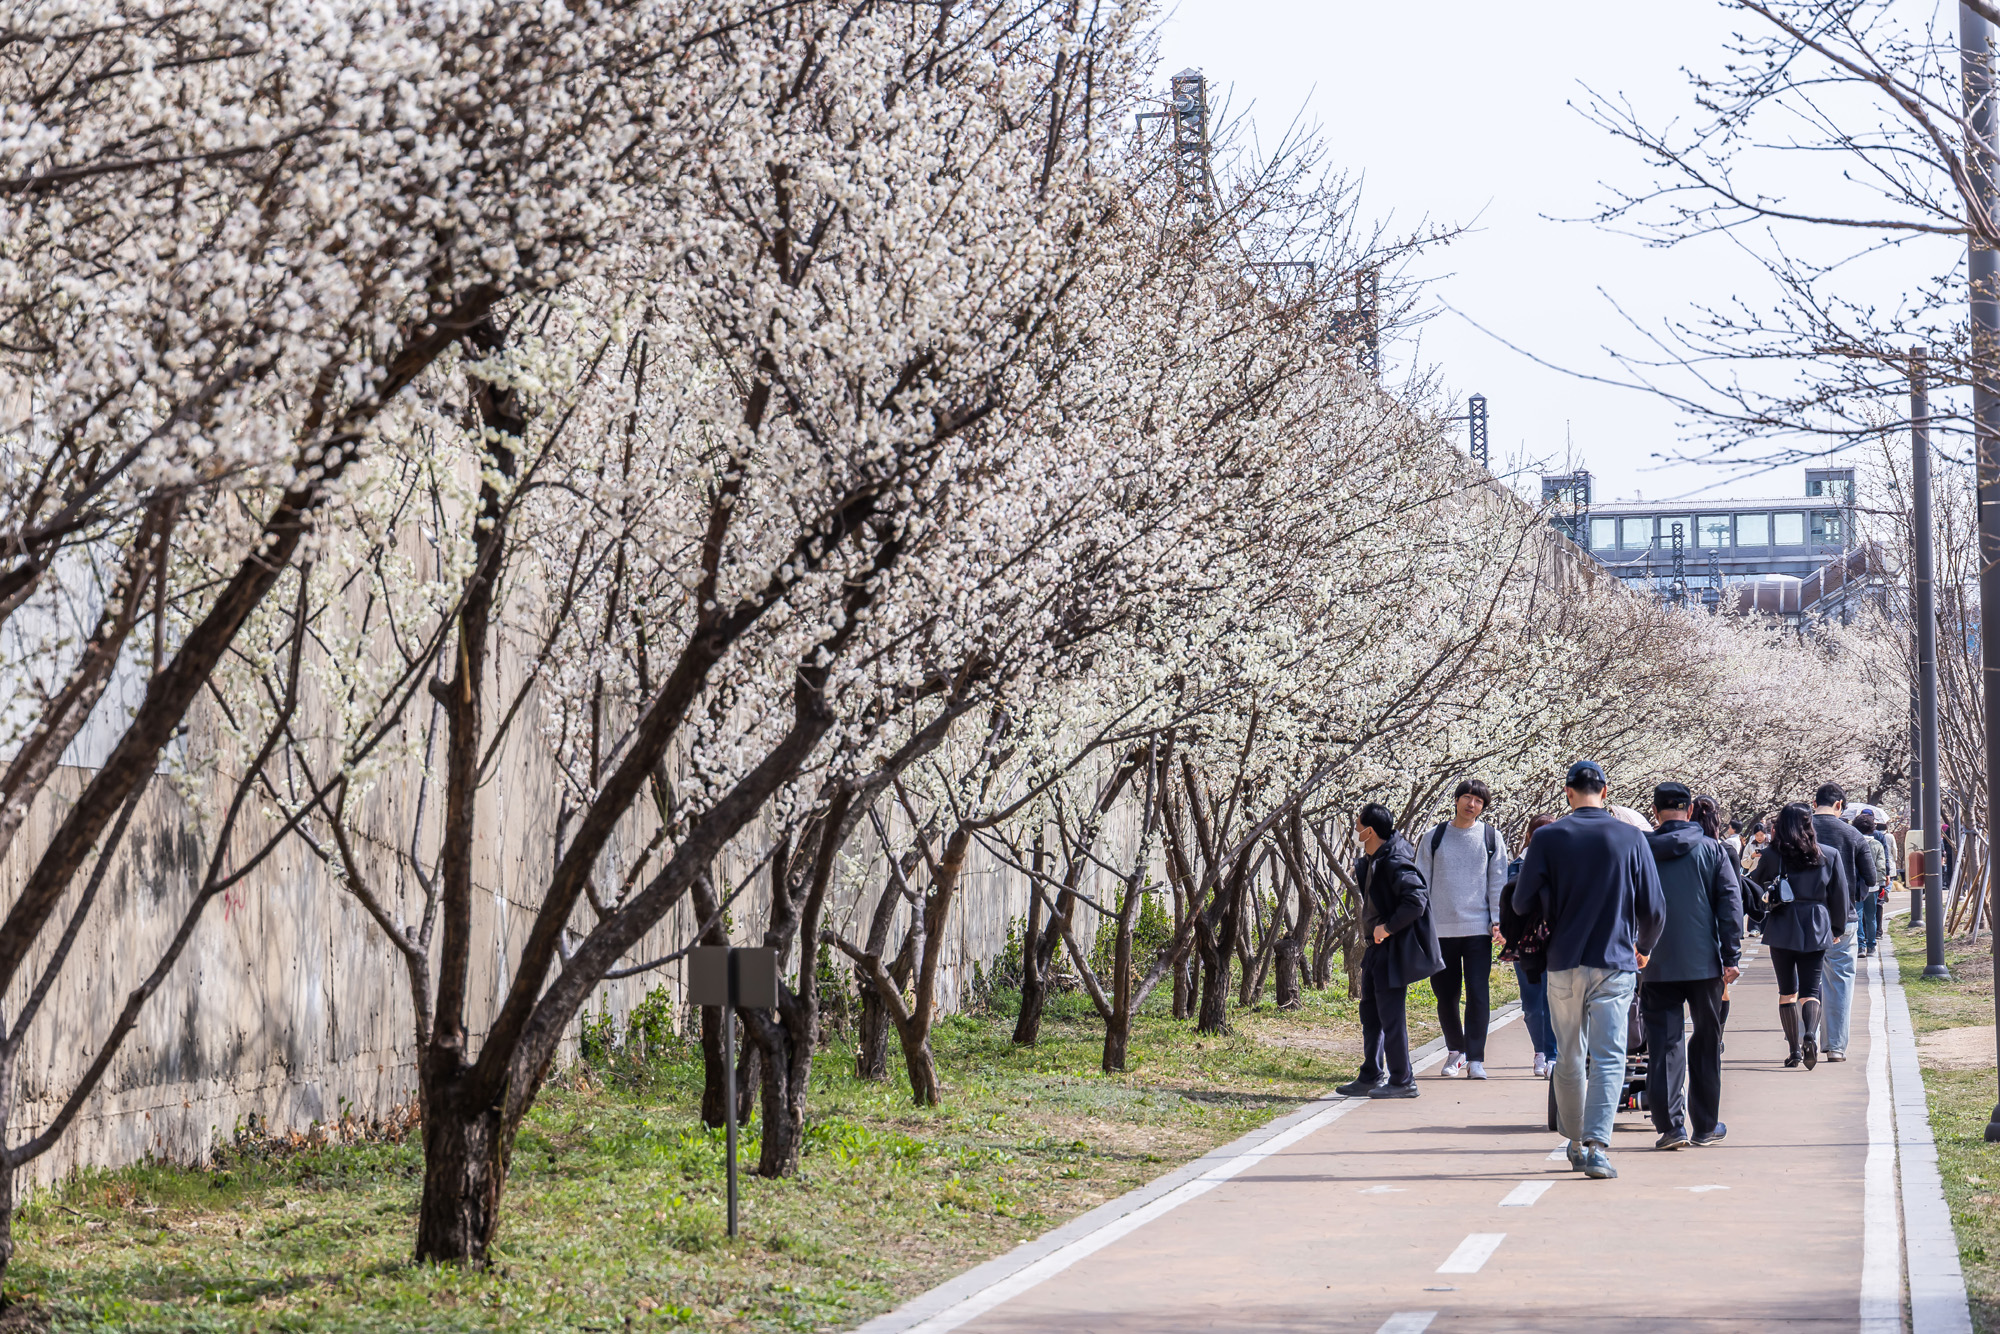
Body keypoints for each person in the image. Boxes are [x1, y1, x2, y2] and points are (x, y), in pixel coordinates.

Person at [1514, 759, 1665, 1181]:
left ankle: (1575, 1141)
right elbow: (1654, 907)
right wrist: (1645, 947)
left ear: (1568, 792)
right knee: (1610, 1055)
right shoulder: (1631, 837)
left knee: (1569, 1054)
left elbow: (1521, 901)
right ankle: (1598, 1145)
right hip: (1615, 960)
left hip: (1563, 961)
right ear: (1605, 789)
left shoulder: (1547, 837)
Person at [1641, 783, 1743, 1149]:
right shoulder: (1713, 849)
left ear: (1655, 811)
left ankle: (1671, 1126)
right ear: (1688, 810)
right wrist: (1731, 955)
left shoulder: (1642, 850)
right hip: (1705, 963)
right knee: (1707, 1041)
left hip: (1654, 961)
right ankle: (1705, 1125)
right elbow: (1730, 903)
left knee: (1664, 1043)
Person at [1336, 803, 1445, 1100]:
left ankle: (1402, 1079)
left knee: (1391, 1017)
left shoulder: (1395, 860)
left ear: (1369, 831)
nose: (1356, 829)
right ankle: (1371, 1074)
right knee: (1370, 1014)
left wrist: (1387, 928)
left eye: (1358, 825)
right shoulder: (1376, 858)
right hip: (1377, 950)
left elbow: (1416, 900)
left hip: (1391, 950)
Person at [1414, 779, 1510, 1080]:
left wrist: (1498, 921)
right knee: (1446, 994)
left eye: (1478, 801)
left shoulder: (1491, 837)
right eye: (1467, 798)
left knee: (1479, 993)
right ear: (1456, 800)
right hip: (1439, 929)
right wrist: (1420, 922)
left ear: (1483, 806)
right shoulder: (1434, 837)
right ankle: (1456, 1050)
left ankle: (1476, 1058)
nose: (1471, 804)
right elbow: (1420, 882)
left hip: (1477, 929)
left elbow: (1498, 882)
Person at [1749, 802, 1850, 1069]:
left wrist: (1761, 907)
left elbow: (1752, 886)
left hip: (1782, 924)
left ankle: (1794, 1050)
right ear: (1809, 824)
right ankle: (1810, 1035)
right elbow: (1840, 896)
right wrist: (1836, 929)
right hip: (1817, 923)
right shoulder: (1828, 854)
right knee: (1811, 989)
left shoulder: (1772, 855)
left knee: (1787, 992)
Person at [1812, 783, 1878, 1062]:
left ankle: (1802, 1040)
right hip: (1843, 918)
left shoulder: (1798, 831)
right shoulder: (1852, 834)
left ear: (1814, 803)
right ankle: (1835, 1047)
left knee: (1805, 981)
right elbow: (1871, 878)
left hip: (1803, 918)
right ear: (1839, 805)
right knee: (1839, 980)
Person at [1499, 813, 1559, 1075]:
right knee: (1532, 1005)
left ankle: (1553, 1055)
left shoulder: (1564, 864)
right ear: (1530, 836)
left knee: (1553, 1001)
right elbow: (1511, 903)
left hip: (1555, 941)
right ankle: (1540, 1051)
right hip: (1526, 943)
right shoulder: (1517, 865)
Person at [1853, 809, 1888, 957]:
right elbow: (1881, 866)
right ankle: (1871, 946)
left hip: (1856, 885)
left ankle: (1860, 946)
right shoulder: (1877, 845)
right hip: (1872, 886)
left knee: (1858, 915)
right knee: (1871, 916)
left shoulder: (1853, 843)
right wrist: (1881, 883)